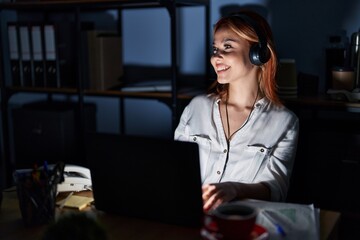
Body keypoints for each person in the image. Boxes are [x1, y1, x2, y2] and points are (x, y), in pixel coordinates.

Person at [174, 10, 299, 213]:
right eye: (215, 49)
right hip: (189, 218)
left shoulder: (285, 122)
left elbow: (275, 190)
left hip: (241, 222)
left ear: (258, 54)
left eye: (228, 46)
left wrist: (234, 189)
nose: (216, 58)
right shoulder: (196, 108)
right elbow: (174, 170)